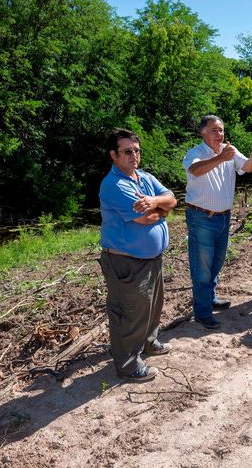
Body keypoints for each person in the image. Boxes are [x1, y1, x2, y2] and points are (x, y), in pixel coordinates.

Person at [98, 128, 177, 382]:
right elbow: (144, 218)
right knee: (129, 313)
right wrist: (160, 210)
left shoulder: (143, 178)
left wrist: (155, 202)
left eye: (137, 150)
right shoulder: (114, 184)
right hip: (126, 262)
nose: (134, 155)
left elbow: (172, 199)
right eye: (127, 151)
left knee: (152, 306)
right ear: (114, 155)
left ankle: (149, 344)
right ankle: (129, 365)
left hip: (151, 259)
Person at [183, 115, 252, 330]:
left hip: (223, 217)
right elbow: (196, 170)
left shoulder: (230, 150)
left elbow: (246, 168)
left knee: (216, 262)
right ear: (203, 133)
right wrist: (221, 158)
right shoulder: (195, 154)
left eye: (221, 130)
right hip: (201, 217)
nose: (219, 134)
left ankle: (210, 297)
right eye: (214, 131)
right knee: (202, 267)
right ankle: (202, 312)